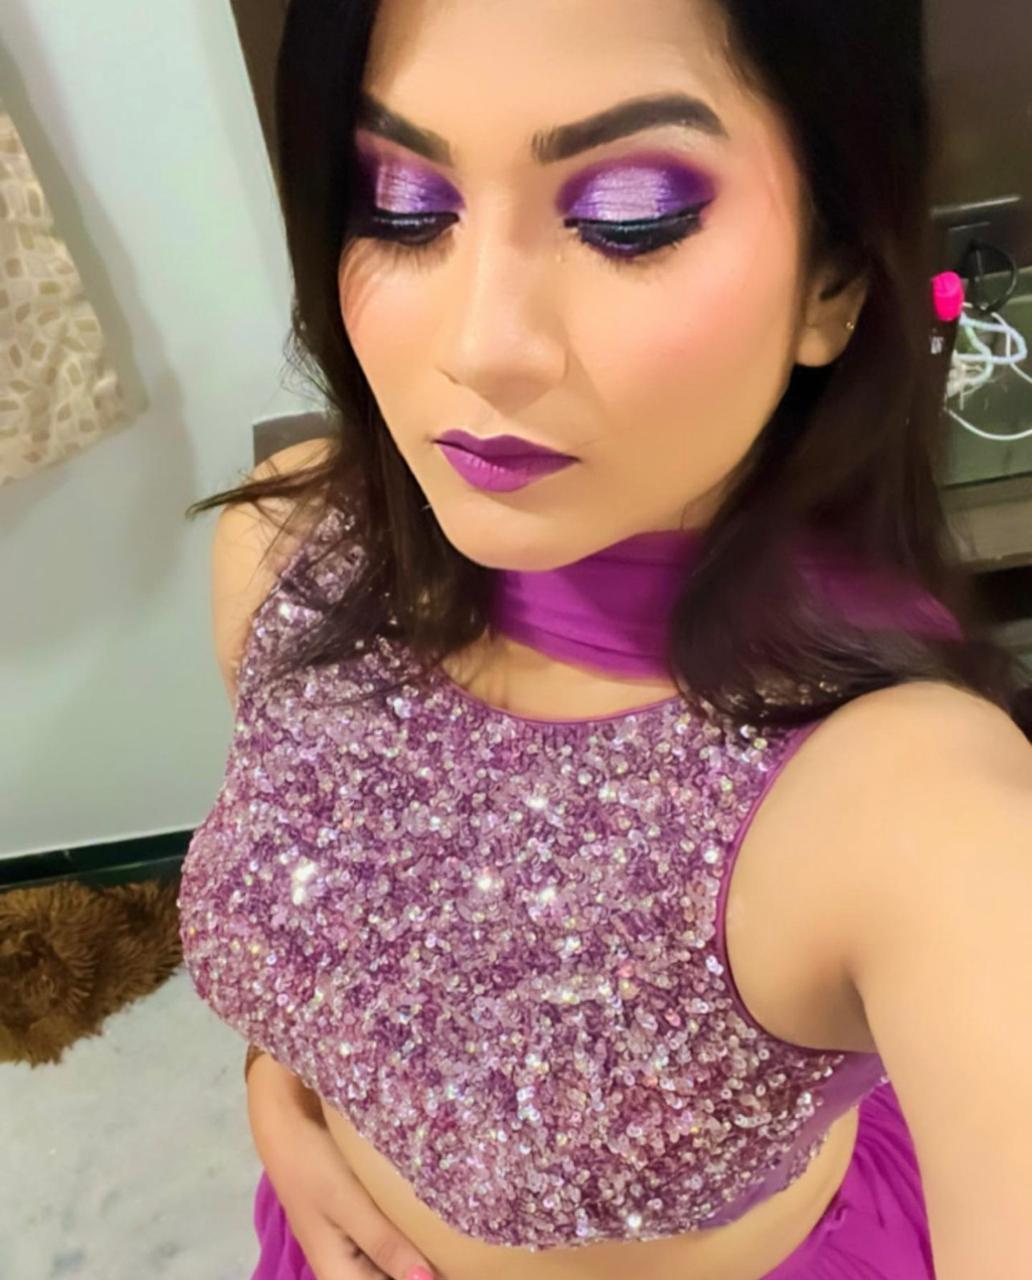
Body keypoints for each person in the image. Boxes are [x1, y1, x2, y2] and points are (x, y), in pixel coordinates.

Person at [178, 1, 1032, 1278]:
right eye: (401, 205)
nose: (484, 346)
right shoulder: (288, 551)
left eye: (629, 216)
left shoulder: (918, 808)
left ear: (835, 280)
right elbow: (339, 915)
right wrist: (287, 1087)